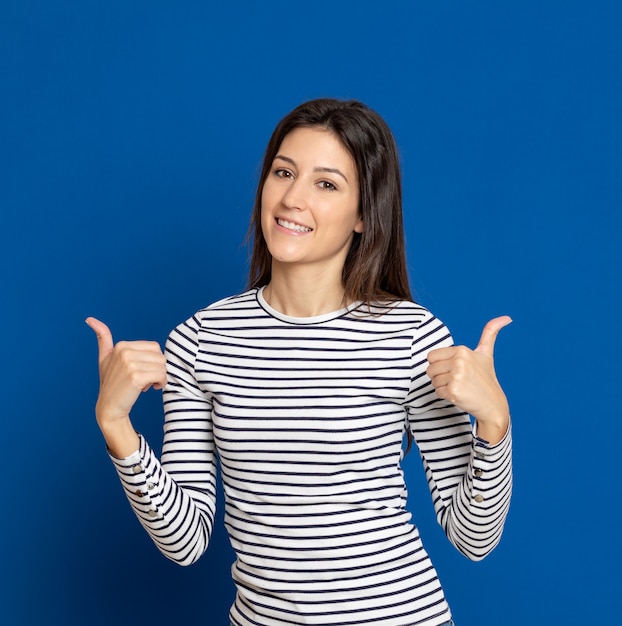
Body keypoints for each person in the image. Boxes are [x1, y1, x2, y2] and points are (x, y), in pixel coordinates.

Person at [86, 98, 512, 626]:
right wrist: (115, 426)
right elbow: (187, 539)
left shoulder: (411, 337)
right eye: (283, 172)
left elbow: (473, 537)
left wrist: (494, 423)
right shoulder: (204, 338)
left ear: (363, 214)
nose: (292, 198)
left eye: (326, 184)